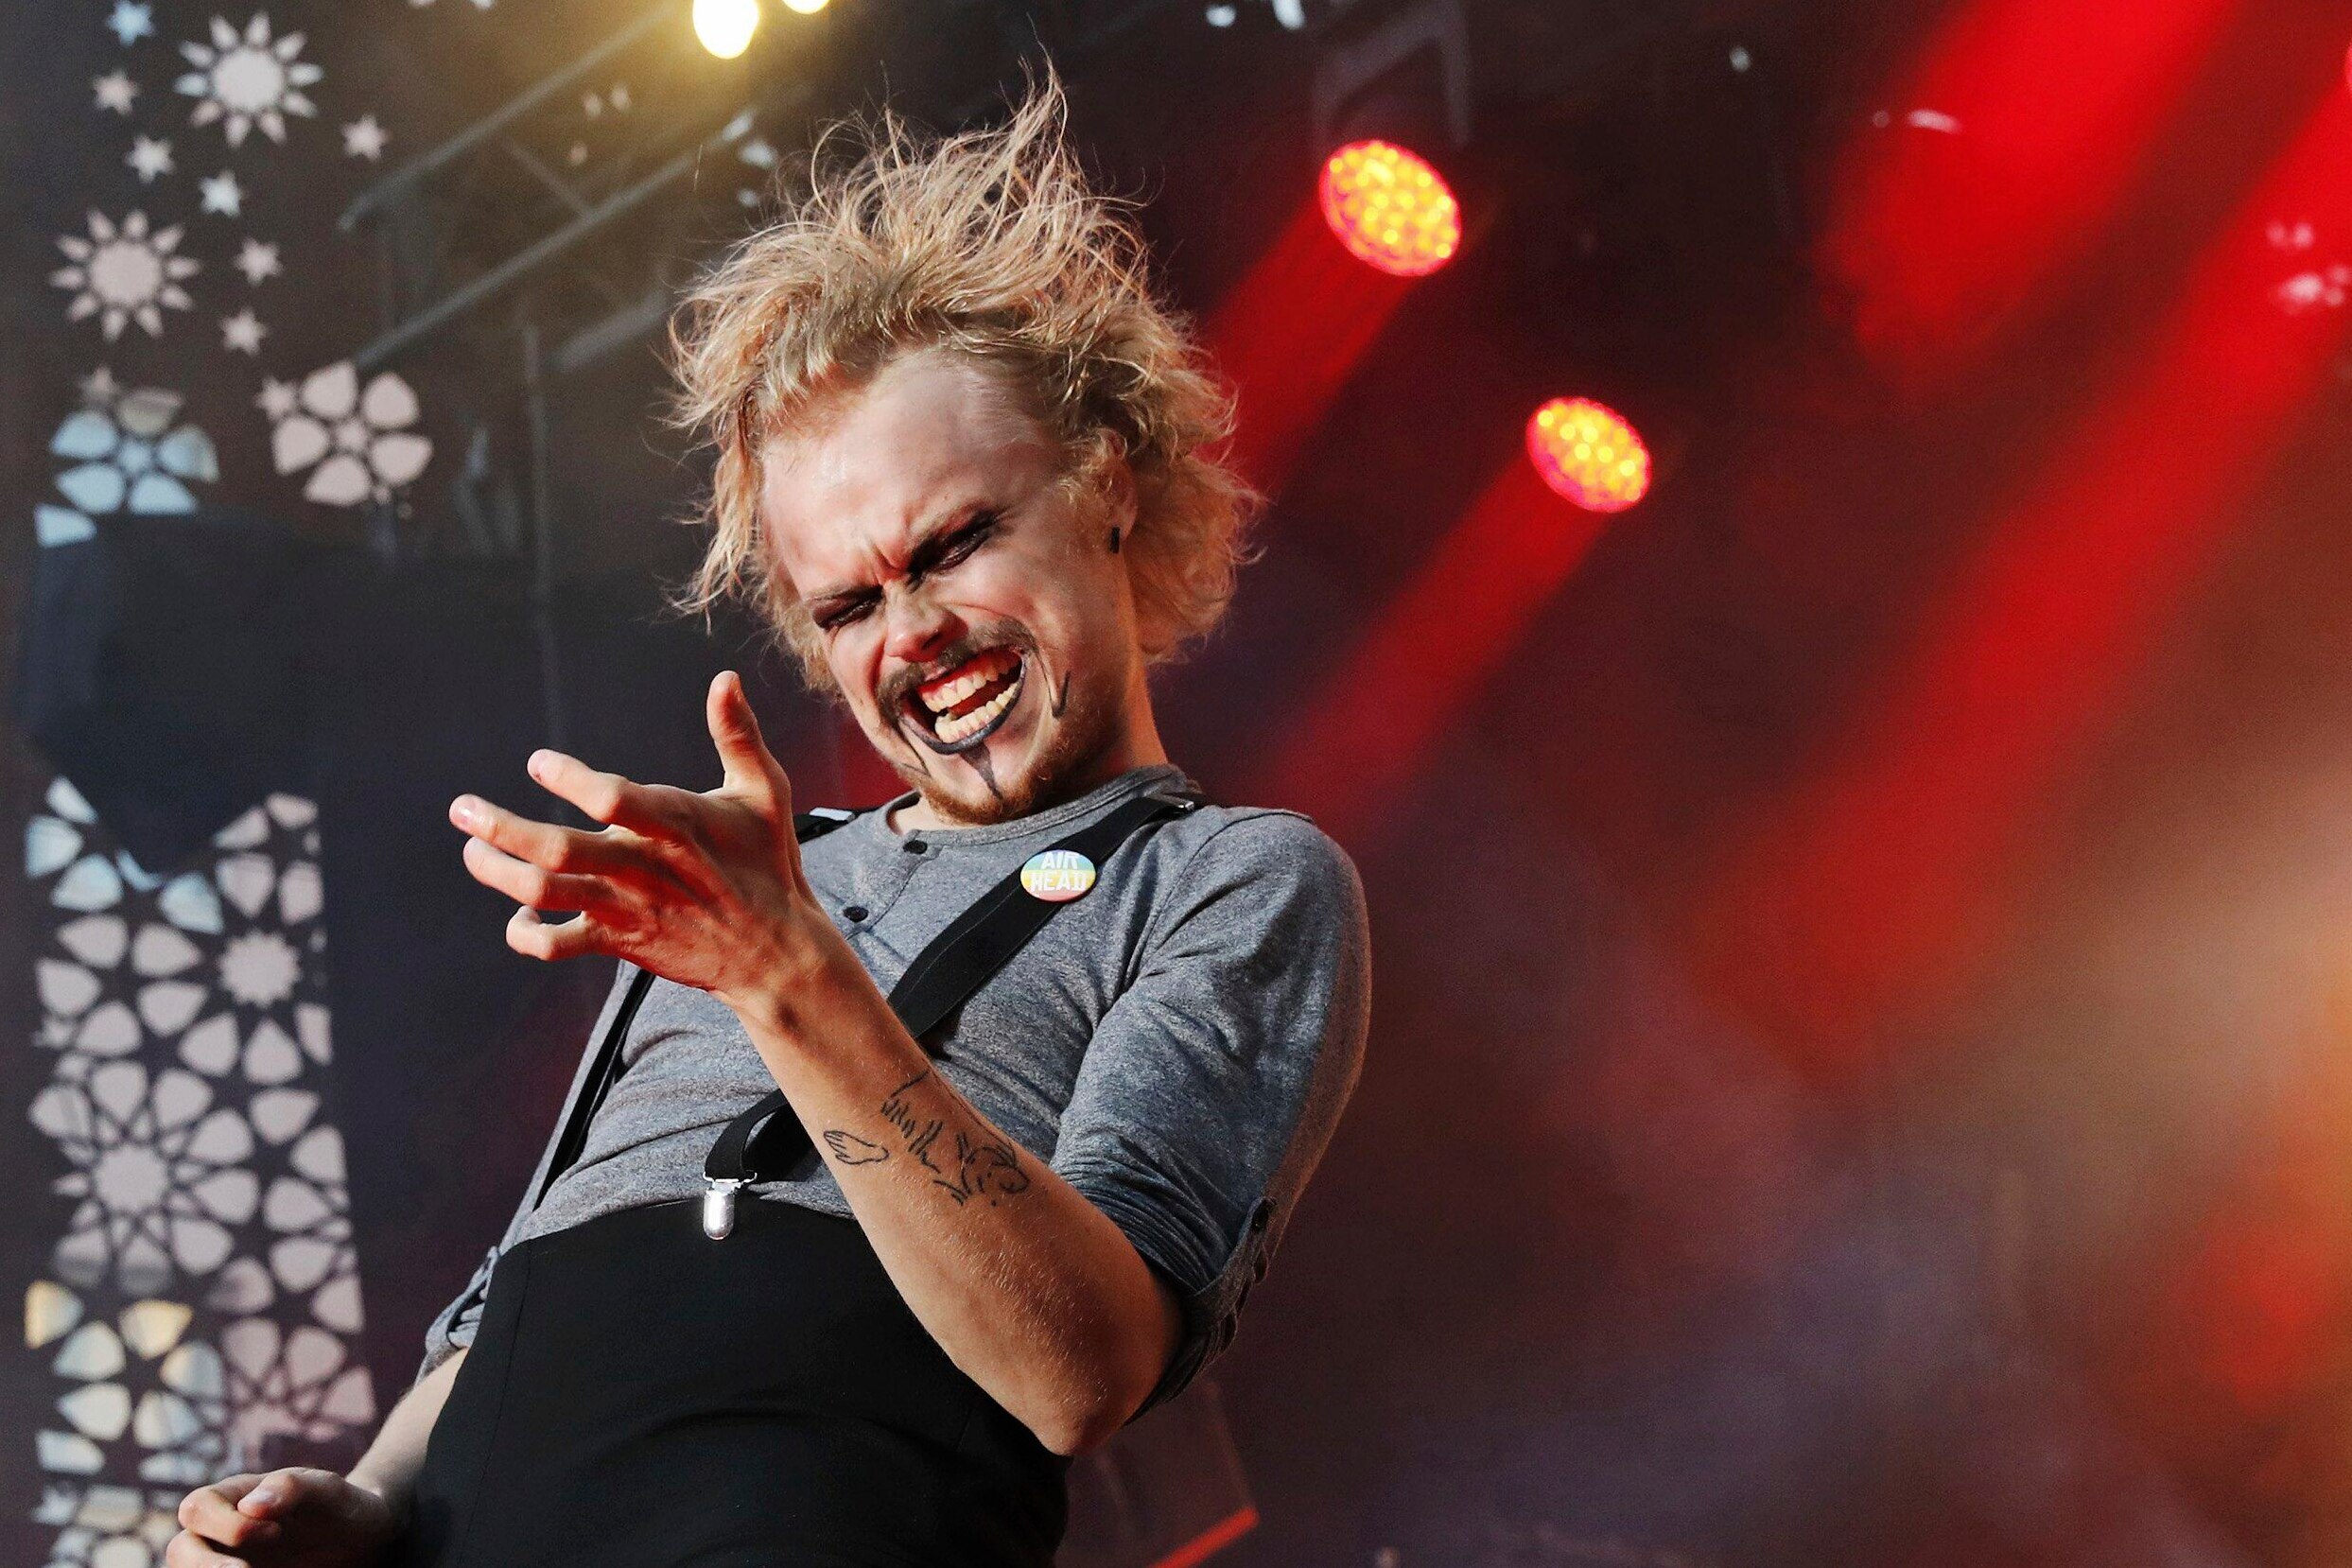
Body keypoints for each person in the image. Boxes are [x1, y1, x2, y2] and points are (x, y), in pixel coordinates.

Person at [166, 78, 1369, 1568]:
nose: (914, 633)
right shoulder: (751, 889)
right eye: (850, 604)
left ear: (1104, 486)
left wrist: (783, 975)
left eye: (954, 543)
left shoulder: (1228, 878)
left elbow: (1080, 1368)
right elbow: (534, 1271)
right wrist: (364, 1499)